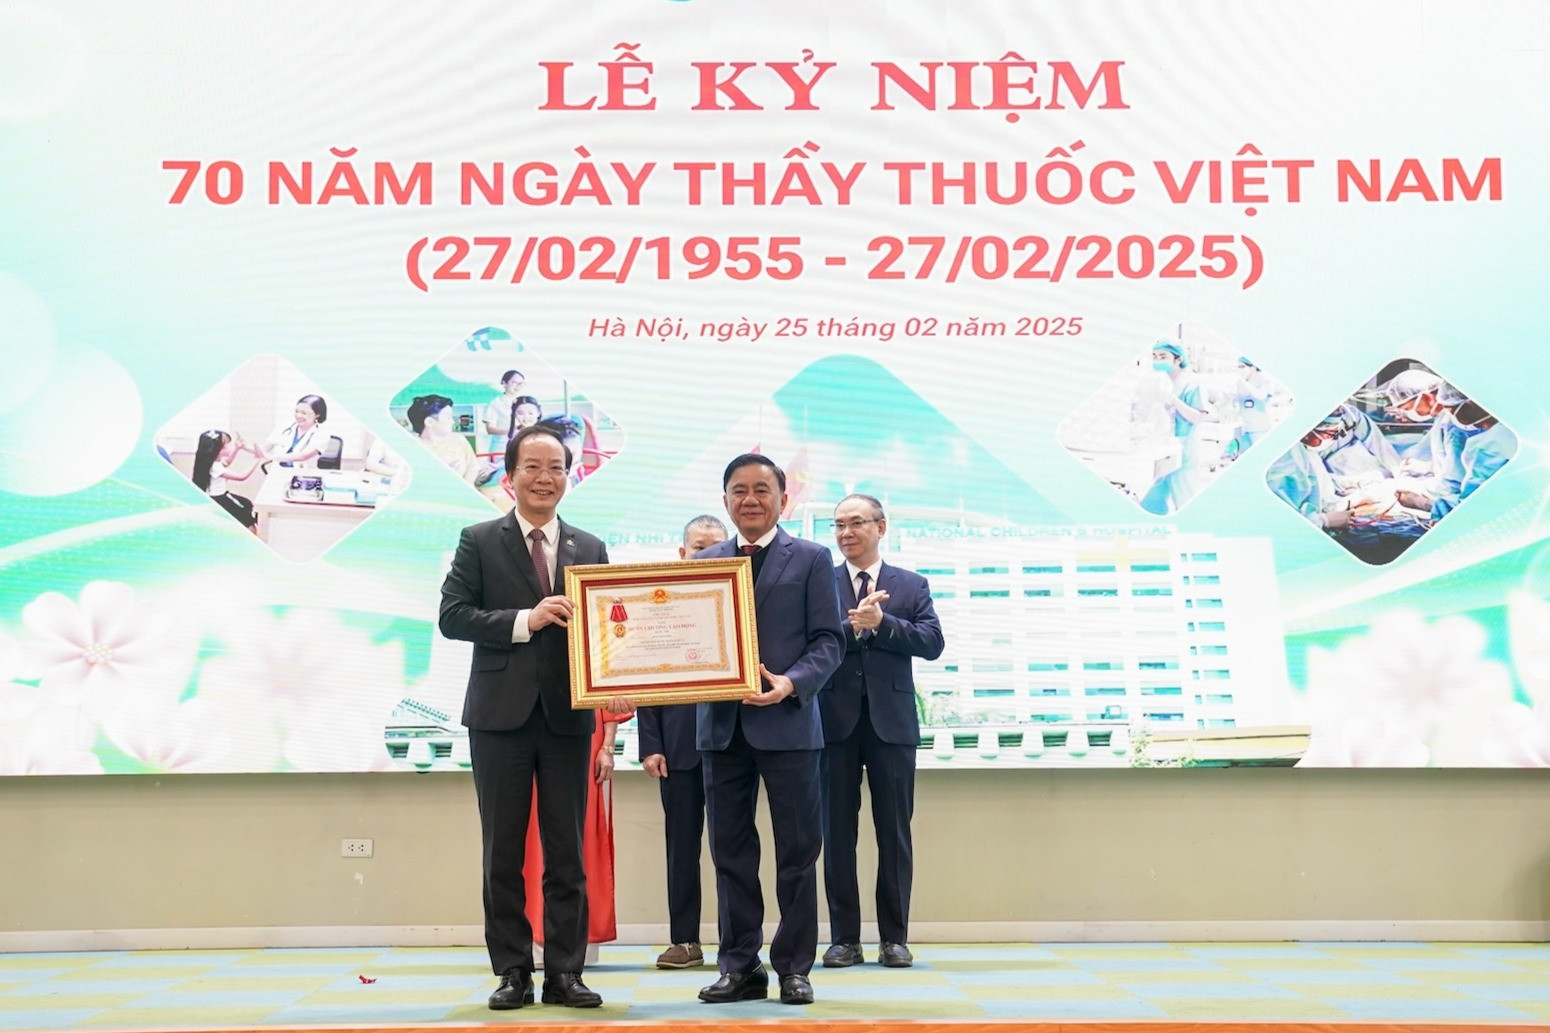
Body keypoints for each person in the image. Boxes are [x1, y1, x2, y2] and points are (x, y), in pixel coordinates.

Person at [438, 424, 609, 1011]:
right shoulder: (479, 540)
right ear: (510, 476)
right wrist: (524, 620)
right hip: (498, 719)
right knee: (502, 853)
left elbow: (606, 631)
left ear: (569, 476)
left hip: (567, 719)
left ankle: (566, 972)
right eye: (532, 467)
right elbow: (453, 616)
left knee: (567, 854)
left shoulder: (590, 547)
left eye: (556, 467)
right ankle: (512, 971)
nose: (545, 478)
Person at [693, 454, 844, 1007]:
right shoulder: (703, 562)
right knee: (729, 853)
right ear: (725, 500)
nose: (750, 499)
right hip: (721, 729)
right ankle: (740, 966)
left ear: (784, 498)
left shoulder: (811, 558)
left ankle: (794, 969)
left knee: (797, 854)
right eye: (739, 490)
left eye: (762, 489)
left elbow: (829, 641)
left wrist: (790, 683)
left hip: (789, 725)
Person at [819, 494, 943, 971]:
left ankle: (894, 938)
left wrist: (884, 623)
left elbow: (932, 642)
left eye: (855, 523)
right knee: (837, 834)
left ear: (881, 527)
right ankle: (843, 939)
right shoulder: (820, 582)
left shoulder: (911, 584)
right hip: (833, 724)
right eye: (838, 525)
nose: (845, 533)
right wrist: (854, 627)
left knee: (894, 832)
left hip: (892, 725)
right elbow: (811, 642)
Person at [637, 514, 729, 970]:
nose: (707, 554)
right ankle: (685, 941)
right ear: (682, 552)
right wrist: (650, 743)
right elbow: (645, 678)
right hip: (676, 749)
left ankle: (737, 944)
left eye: (716, 547)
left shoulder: (736, 604)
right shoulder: (660, 607)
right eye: (698, 547)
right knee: (681, 850)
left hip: (732, 746)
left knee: (733, 848)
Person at [522, 704, 635, 962]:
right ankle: (533, 938)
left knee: (578, 841)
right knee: (530, 840)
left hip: (582, 733)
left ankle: (577, 943)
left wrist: (607, 746)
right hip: (527, 729)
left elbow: (607, 696)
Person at [1394, 401, 1516, 520]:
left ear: (1469, 406)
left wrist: (1427, 504)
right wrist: (1427, 467)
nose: (1451, 415)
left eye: (1451, 410)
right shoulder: (1505, 431)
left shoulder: (1486, 446)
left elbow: (1472, 506)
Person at [1139, 341, 1213, 515]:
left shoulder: (1192, 383)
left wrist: (1173, 400)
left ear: (1178, 359)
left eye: (1163, 356)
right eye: (1154, 356)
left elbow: (1198, 417)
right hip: (1160, 445)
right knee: (1153, 497)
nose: (1157, 361)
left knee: (1184, 495)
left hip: (1185, 446)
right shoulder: (1157, 381)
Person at [190, 429, 262, 531]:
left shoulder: (212, 462)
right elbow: (241, 476)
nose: (229, 447)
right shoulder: (214, 467)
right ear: (216, 450)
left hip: (219, 496)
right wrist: (257, 459)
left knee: (247, 504)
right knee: (245, 514)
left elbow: (227, 462)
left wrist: (237, 448)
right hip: (219, 498)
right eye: (226, 446)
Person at [410, 394, 481, 484]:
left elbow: (473, 466)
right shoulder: (413, 447)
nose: (453, 421)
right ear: (429, 422)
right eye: (448, 417)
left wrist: (466, 487)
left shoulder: (458, 439)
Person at [261, 394, 329, 467]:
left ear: (317, 414)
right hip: (277, 471)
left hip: (303, 473)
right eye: (296, 411)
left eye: (304, 413)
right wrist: (252, 449)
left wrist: (270, 457)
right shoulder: (283, 428)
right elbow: (264, 448)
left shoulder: (321, 435)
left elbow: (303, 456)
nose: (298, 416)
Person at [1231, 357, 1274, 454]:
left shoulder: (1265, 381)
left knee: (1260, 454)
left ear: (1253, 368)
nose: (1239, 370)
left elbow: (1261, 395)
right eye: (1238, 367)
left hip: (1260, 429)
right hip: (1245, 429)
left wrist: (1243, 382)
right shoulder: (1240, 383)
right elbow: (1239, 398)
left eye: (1242, 367)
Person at [482, 369, 527, 454]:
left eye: (521, 383)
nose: (518, 386)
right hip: (502, 447)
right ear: (504, 383)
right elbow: (490, 428)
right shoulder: (496, 403)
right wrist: (512, 432)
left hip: (523, 444)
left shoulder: (526, 402)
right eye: (514, 383)